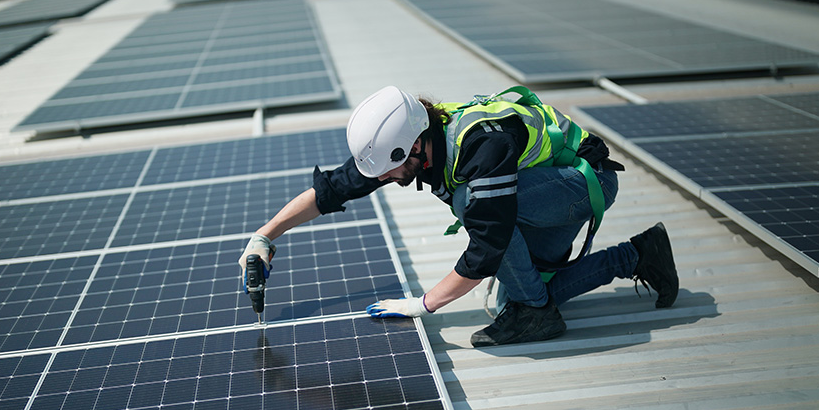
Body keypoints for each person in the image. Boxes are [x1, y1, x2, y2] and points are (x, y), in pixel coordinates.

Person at [238, 85, 678, 347]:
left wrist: (424, 304)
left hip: (584, 183)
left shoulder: (478, 149)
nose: (386, 179)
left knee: (476, 208)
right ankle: (638, 255)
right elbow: (335, 187)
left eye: (390, 170)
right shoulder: (412, 143)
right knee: (517, 300)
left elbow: (488, 244)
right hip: (542, 190)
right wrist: (266, 236)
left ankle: (539, 312)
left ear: (413, 148)